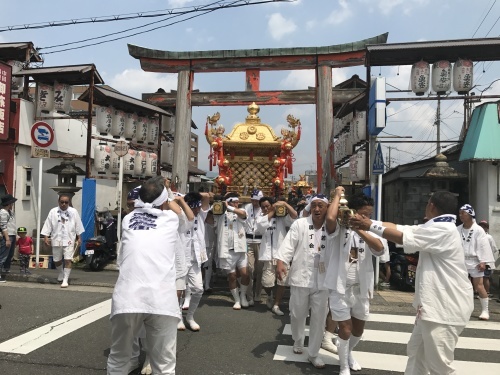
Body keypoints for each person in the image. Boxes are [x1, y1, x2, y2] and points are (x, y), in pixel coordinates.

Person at [349, 191, 474, 375]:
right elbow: (400, 228)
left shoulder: (443, 231)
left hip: (444, 309)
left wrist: (367, 225)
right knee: (416, 354)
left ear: (431, 205)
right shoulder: (437, 227)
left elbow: (401, 237)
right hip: (432, 308)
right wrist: (368, 223)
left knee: (440, 366)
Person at [107, 176, 180, 375]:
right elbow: (174, 208)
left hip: (127, 298)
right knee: (164, 366)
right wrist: (168, 192)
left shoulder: (128, 220)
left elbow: (148, 205)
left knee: (118, 359)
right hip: (162, 300)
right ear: (165, 199)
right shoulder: (172, 220)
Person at [275, 190, 343, 369]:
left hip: (323, 278)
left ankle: (313, 353)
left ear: (327, 207)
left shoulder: (333, 226)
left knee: (319, 318)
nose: (317, 209)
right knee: (297, 314)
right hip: (301, 276)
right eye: (314, 205)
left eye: (321, 205)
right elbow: (288, 245)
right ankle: (298, 341)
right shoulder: (300, 224)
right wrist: (281, 261)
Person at [324, 193, 387, 375]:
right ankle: (343, 365)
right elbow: (329, 218)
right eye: (363, 214)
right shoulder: (340, 226)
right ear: (353, 212)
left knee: (358, 330)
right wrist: (337, 195)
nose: (366, 217)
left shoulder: (372, 227)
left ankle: (348, 352)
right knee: (345, 328)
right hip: (340, 286)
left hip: (362, 286)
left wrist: (361, 228)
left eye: (369, 214)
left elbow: (379, 248)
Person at [255, 196, 297, 316]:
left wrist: (284, 204)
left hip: (282, 255)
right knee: (267, 283)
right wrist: (272, 211)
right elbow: (260, 227)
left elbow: (294, 215)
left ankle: (276, 304)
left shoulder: (282, 218)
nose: (266, 208)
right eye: (263, 207)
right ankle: (270, 295)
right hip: (268, 255)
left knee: (282, 282)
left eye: (268, 206)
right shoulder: (261, 218)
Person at [179, 191, 212, 331]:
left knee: (198, 289)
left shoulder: (201, 215)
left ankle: (190, 316)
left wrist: (193, 194)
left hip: (195, 260)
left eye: (199, 207)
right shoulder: (179, 216)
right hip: (180, 259)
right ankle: (178, 316)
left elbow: (207, 196)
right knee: (179, 290)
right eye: (195, 207)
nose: (198, 209)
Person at [457, 205, 495, 320]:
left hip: (475, 261)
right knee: (462, 286)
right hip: (461, 260)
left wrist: (483, 261)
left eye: (463, 213)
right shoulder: (457, 229)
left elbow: (483, 246)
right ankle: (464, 310)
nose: (461, 215)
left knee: (479, 286)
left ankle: (485, 310)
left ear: (470, 214)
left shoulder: (478, 230)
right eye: (460, 213)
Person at [213, 192, 250, 310]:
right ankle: (237, 299)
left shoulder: (240, 212)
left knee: (245, 274)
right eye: (234, 202)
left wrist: (230, 207)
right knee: (232, 276)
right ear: (228, 202)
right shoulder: (220, 213)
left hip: (240, 250)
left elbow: (243, 215)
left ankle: (243, 295)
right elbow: (210, 215)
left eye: (237, 202)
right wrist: (219, 204)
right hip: (227, 251)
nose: (237, 204)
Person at [41, 193, 84, 288]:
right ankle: (61, 272)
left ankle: (65, 279)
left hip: (69, 238)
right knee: (57, 260)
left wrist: (79, 237)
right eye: (62, 202)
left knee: (68, 259)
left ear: (69, 202)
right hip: (57, 238)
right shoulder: (53, 211)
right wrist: (45, 236)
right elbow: (48, 224)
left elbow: (78, 225)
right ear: (58, 202)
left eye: (66, 202)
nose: (64, 204)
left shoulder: (73, 212)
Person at [244, 189, 264, 305]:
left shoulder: (264, 208)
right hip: (248, 240)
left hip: (261, 241)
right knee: (250, 268)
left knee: (259, 269)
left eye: (257, 200)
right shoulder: (247, 207)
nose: (254, 202)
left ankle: (258, 294)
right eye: (253, 200)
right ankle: (249, 295)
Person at [477, 220, 498, 298]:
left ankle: (487, 292)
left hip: (487, 262)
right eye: (481, 226)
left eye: (484, 226)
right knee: (480, 277)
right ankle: (481, 293)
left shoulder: (489, 237)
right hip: (479, 261)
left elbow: (494, 249)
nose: (482, 227)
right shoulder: (477, 236)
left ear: (487, 228)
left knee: (485, 277)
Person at [0, 194, 17, 274]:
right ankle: (1, 271)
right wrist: (7, 239)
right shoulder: (3, 212)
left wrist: (15, 235)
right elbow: (3, 226)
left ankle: (6, 269)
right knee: (4, 254)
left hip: (12, 234)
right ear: (8, 204)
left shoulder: (10, 212)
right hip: (7, 235)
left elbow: (12, 225)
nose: (12, 205)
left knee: (10, 254)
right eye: (11, 203)